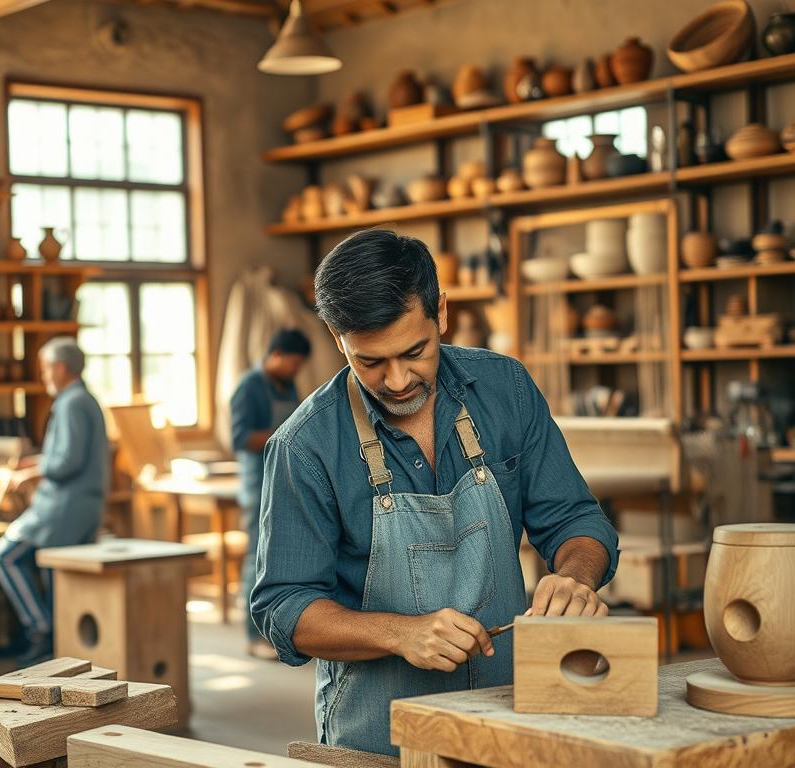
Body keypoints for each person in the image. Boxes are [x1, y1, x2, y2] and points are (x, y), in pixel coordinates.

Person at [251, 230, 619, 756]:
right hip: (380, 735)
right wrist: (399, 634)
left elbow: (577, 520)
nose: (398, 379)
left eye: (414, 352)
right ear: (338, 340)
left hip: (508, 714)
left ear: (441, 313)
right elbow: (283, 606)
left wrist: (575, 578)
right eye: (370, 361)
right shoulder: (305, 445)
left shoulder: (505, 390)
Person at [0, 337, 109, 665]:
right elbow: (67, 456)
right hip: (82, 505)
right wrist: (34, 464)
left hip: (64, 506)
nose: (43, 377)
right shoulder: (84, 400)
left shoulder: (72, 402)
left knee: (5, 555)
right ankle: (58, 639)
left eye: (45, 370)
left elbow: (66, 463)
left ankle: (41, 630)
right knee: (57, 576)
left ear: (60, 368)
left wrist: (30, 475)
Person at [230, 328, 311, 659]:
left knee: (286, 559)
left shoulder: (287, 384)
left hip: (285, 481)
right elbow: (239, 439)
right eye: (292, 363)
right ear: (275, 354)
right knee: (257, 558)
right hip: (258, 483)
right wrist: (285, 436)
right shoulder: (249, 387)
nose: (296, 371)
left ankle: (281, 632)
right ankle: (254, 636)